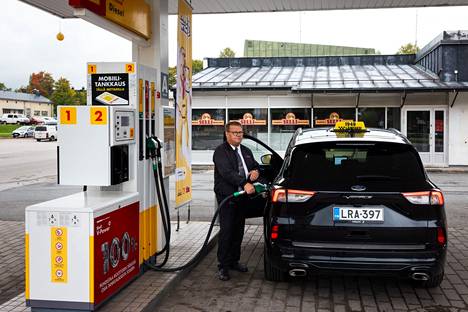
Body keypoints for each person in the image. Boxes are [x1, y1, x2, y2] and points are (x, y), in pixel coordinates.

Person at [213, 121, 260, 281]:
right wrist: (244, 183)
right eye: (235, 132)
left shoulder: (245, 151)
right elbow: (227, 173)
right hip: (228, 197)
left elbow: (255, 165)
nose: (239, 135)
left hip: (242, 198)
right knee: (227, 231)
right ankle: (223, 266)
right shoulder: (220, 152)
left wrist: (255, 172)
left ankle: (234, 261)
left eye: (240, 132)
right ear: (227, 134)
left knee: (238, 231)